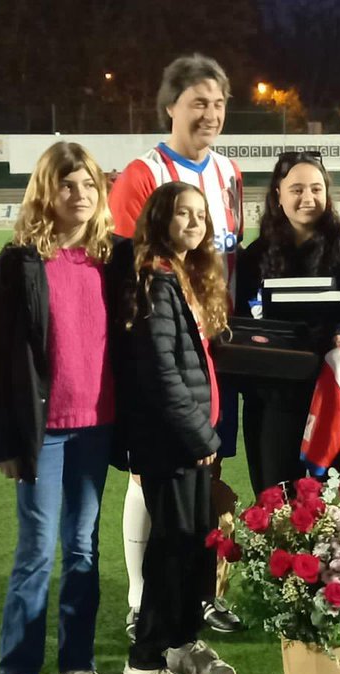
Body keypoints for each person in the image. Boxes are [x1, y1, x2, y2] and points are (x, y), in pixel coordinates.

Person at [0, 142, 133, 674]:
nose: (81, 195)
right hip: (42, 434)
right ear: (47, 191)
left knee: (84, 550)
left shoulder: (116, 257)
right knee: (37, 550)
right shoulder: (18, 261)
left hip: (97, 428)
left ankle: (77, 664)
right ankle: (16, 672)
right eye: (68, 185)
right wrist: (4, 442)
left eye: (90, 184)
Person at [109, 53, 244, 636]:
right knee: (149, 475)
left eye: (217, 104)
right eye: (198, 103)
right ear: (171, 107)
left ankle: (199, 595)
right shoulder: (142, 174)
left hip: (213, 352)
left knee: (206, 473)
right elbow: (125, 266)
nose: (209, 114)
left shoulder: (230, 174)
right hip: (163, 344)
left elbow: (226, 260)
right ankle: (142, 601)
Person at [114, 182, 238, 674]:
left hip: (189, 438)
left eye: (200, 214)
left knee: (192, 546)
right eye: (182, 213)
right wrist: (198, 435)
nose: (193, 222)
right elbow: (160, 372)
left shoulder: (183, 274)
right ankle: (143, 663)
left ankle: (181, 642)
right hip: (170, 441)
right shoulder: (155, 278)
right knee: (171, 549)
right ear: (160, 219)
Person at [235, 150, 340, 494]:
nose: (307, 198)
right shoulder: (254, 258)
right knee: (275, 506)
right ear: (278, 194)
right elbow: (242, 327)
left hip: (334, 401)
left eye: (316, 188)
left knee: (331, 512)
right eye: (296, 189)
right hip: (273, 404)